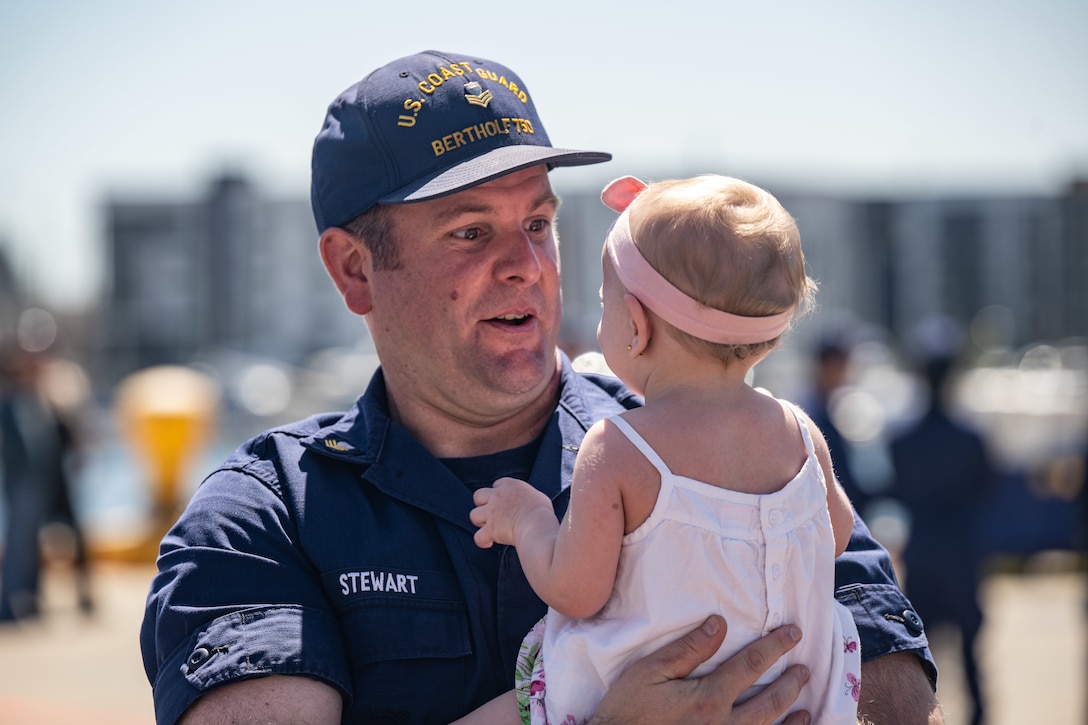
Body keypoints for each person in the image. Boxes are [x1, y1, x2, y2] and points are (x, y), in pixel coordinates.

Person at [139, 50, 940, 724]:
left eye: (537, 222)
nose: (526, 263)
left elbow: (895, 693)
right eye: (470, 230)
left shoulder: (745, 450)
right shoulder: (263, 518)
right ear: (355, 270)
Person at [466, 174, 861, 724]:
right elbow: (835, 537)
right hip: (793, 702)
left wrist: (530, 521)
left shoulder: (619, 448)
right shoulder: (799, 432)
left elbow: (576, 592)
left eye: (607, 304)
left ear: (635, 324)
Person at [888, 318, 996, 725]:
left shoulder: (901, 438)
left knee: (921, 657)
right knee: (972, 655)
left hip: (923, 555)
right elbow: (988, 488)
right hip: (964, 553)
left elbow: (894, 489)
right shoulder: (971, 436)